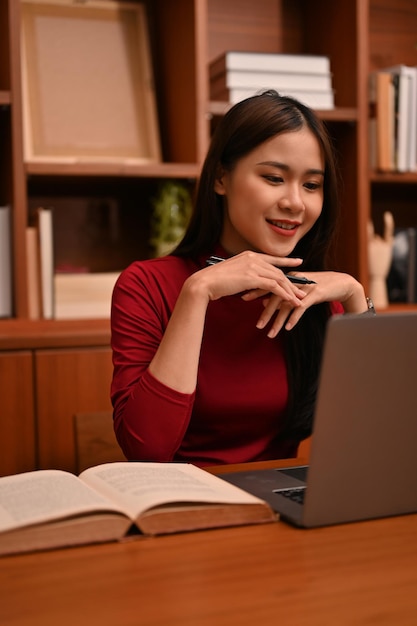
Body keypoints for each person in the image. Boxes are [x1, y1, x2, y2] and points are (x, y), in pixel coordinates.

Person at [111, 90, 370, 467]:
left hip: (280, 504)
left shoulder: (315, 297)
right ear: (220, 178)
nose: (295, 202)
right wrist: (197, 291)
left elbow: (376, 439)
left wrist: (354, 295)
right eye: (274, 177)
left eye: (311, 185)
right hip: (185, 505)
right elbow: (147, 449)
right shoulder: (146, 285)